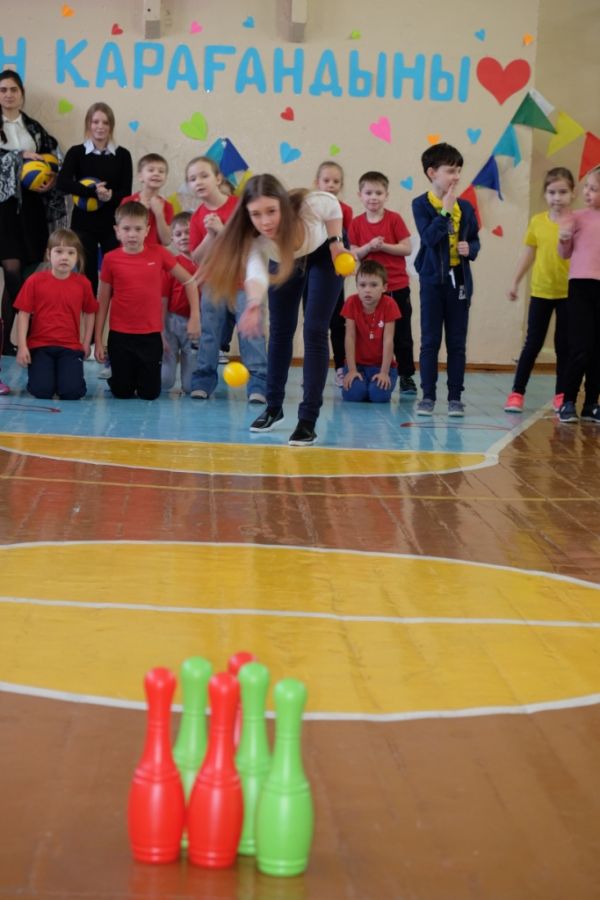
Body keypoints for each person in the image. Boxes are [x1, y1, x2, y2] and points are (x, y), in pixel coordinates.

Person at [201, 173, 347, 445]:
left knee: (314, 330)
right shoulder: (255, 239)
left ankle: (307, 420)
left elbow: (331, 204)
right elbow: (256, 273)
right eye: (256, 214)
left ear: (283, 205)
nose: (265, 221)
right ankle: (273, 407)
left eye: (271, 211)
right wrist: (253, 304)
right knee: (280, 330)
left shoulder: (307, 206)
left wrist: (336, 241)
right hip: (285, 258)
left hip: (324, 253)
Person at [0, 69, 66, 391]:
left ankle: (8, 343)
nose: (8, 95)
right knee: (12, 271)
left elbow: (55, 157)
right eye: (3, 90)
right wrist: (18, 157)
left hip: (32, 209)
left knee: (26, 271)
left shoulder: (34, 128)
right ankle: (29, 331)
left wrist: (49, 172)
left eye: (13, 89)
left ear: (22, 94)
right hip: (3, 208)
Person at [94, 201, 199, 400]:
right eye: (126, 229)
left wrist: (195, 316)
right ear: (117, 231)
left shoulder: (159, 253)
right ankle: (119, 378)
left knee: (149, 394)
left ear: (147, 230)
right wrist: (98, 340)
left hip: (150, 336)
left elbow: (190, 281)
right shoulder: (110, 259)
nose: (132, 234)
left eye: (138, 229)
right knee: (122, 393)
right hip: (120, 336)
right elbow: (103, 300)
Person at [186, 156, 267, 403]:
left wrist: (222, 231)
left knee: (251, 334)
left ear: (218, 178)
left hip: (244, 283)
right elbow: (197, 258)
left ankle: (259, 385)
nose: (198, 182)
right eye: (192, 179)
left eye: (204, 175)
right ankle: (203, 381)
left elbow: (250, 248)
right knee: (210, 334)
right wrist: (210, 235)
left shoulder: (239, 207)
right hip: (214, 284)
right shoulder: (197, 217)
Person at [412, 143, 480, 417]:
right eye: (450, 171)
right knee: (430, 341)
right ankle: (428, 396)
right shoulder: (421, 204)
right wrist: (445, 211)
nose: (456, 176)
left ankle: (455, 397)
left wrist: (470, 248)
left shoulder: (467, 207)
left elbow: (474, 240)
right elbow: (429, 238)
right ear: (432, 173)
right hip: (432, 281)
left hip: (459, 282)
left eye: (459, 171)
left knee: (457, 343)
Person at [504, 168, 575, 414]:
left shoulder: (577, 222)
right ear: (545, 194)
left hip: (570, 294)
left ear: (572, 193)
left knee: (564, 346)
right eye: (552, 192)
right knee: (532, 343)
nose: (557, 197)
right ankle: (517, 392)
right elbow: (528, 253)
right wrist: (515, 281)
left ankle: (561, 394)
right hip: (541, 292)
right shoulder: (537, 222)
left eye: (563, 192)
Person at [348, 170, 416, 396]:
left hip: (396, 287)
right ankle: (367, 370)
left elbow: (407, 248)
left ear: (386, 195)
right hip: (369, 290)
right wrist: (369, 246)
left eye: (378, 193)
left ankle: (406, 376)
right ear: (360, 195)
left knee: (402, 335)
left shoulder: (394, 219)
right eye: (368, 193)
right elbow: (353, 255)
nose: (373, 197)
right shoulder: (356, 223)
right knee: (370, 335)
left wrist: (383, 246)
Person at [56, 102, 133, 295]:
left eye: (105, 122)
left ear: (111, 126)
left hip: (112, 224)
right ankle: (88, 314)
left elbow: (126, 193)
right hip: (83, 224)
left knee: (113, 278)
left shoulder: (123, 155)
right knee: (86, 278)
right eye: (95, 121)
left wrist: (110, 196)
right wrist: (92, 192)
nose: (100, 126)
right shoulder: (76, 152)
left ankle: (110, 314)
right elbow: (62, 183)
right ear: (88, 124)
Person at [14, 228, 97, 399]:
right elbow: (23, 314)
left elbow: (90, 313)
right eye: (59, 251)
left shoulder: (83, 283)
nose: (64, 257)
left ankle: (66, 376)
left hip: (70, 347)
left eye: (70, 253)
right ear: (48, 254)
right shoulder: (34, 281)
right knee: (42, 391)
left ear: (77, 257)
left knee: (72, 393)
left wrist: (86, 343)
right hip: (40, 346)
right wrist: (22, 346)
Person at [557, 165, 600, 424]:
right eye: (586, 187)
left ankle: (592, 403)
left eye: (593, 189)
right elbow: (564, 253)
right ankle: (568, 401)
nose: (587, 192)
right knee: (580, 346)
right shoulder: (576, 217)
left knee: (597, 349)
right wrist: (564, 238)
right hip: (581, 287)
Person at [313, 160, 354, 387]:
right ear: (317, 183)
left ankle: (340, 367)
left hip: (333, 273)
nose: (331, 185)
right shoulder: (310, 208)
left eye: (336, 181)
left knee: (337, 322)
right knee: (312, 322)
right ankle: (312, 369)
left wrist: (344, 265)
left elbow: (344, 242)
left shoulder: (345, 210)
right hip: (312, 273)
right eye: (326, 180)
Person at [341, 260, 400, 403]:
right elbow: (350, 337)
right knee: (353, 395)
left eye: (374, 285)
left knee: (379, 396)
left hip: (381, 366)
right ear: (357, 286)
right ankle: (363, 386)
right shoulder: (351, 302)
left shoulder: (390, 304)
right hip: (358, 366)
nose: (367, 290)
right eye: (362, 285)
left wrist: (384, 372)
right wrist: (352, 370)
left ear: (384, 287)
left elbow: (388, 340)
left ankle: (371, 387)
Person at [161, 212, 198, 394]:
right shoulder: (172, 264)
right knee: (165, 382)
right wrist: (161, 328)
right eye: (178, 234)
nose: (184, 237)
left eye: (188, 232)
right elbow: (163, 298)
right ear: (173, 240)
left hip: (196, 323)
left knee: (191, 386)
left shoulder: (205, 263)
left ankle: (189, 383)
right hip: (172, 320)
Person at [120, 153, 173, 246]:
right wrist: (140, 210)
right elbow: (122, 234)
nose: (156, 173)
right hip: (130, 253)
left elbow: (167, 241)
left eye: (161, 171)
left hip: (154, 254)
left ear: (165, 178)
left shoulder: (168, 206)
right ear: (140, 176)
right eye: (151, 170)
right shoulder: (127, 201)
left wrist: (159, 214)